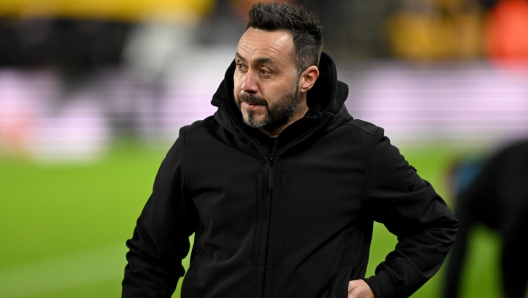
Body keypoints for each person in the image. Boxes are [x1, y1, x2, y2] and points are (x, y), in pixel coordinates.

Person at [122, 2, 458, 298]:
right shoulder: (196, 145)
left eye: (265, 71)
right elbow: (151, 256)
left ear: (307, 78)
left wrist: (381, 287)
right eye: (241, 66)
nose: (247, 84)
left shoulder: (360, 149)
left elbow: (434, 227)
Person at [443, 139, 528, 298]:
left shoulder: (468, 193)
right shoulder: (494, 171)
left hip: (519, 209)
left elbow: (456, 258)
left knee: (512, 274)